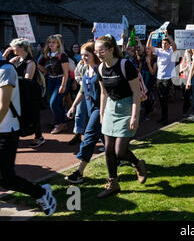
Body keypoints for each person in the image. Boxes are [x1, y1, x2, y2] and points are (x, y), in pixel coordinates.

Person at [0, 58, 56, 215]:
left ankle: (41, 192)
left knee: (6, 179)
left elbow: (3, 106)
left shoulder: (5, 70)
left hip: (6, 131)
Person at [95, 35, 147, 198]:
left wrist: (134, 116)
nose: (98, 54)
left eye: (101, 51)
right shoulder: (100, 68)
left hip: (127, 107)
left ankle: (138, 164)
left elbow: (136, 94)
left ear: (111, 50)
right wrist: (102, 113)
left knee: (120, 150)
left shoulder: (125, 65)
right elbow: (103, 93)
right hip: (110, 108)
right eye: (96, 51)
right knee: (108, 150)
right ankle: (113, 184)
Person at [65, 42, 105, 183]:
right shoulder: (84, 70)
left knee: (88, 138)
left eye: (86, 55)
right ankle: (132, 161)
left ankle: (79, 173)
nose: (83, 58)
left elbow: (105, 93)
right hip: (90, 108)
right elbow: (82, 91)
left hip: (101, 109)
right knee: (108, 141)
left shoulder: (100, 70)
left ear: (94, 55)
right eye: (82, 55)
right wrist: (73, 106)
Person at [2, 38, 45, 148]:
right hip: (19, 89)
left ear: (21, 48)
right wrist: (5, 56)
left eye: (14, 46)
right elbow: (3, 67)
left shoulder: (30, 62)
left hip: (30, 91)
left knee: (33, 113)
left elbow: (28, 80)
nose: (12, 48)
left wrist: (12, 80)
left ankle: (39, 136)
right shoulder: (16, 59)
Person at [38, 35, 70, 134]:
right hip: (50, 81)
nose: (51, 44)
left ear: (58, 44)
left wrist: (63, 85)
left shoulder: (62, 55)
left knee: (53, 103)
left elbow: (66, 72)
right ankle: (62, 123)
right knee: (58, 103)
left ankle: (59, 124)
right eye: (49, 42)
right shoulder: (46, 55)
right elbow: (40, 66)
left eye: (53, 42)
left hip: (61, 80)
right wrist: (44, 70)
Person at [146, 30, 177, 125]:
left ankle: (165, 118)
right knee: (160, 98)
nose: (164, 45)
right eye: (163, 43)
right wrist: (151, 35)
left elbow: (174, 45)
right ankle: (163, 117)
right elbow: (148, 47)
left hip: (168, 78)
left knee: (164, 97)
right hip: (159, 78)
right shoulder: (159, 51)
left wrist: (167, 35)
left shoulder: (171, 51)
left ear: (169, 45)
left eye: (166, 43)